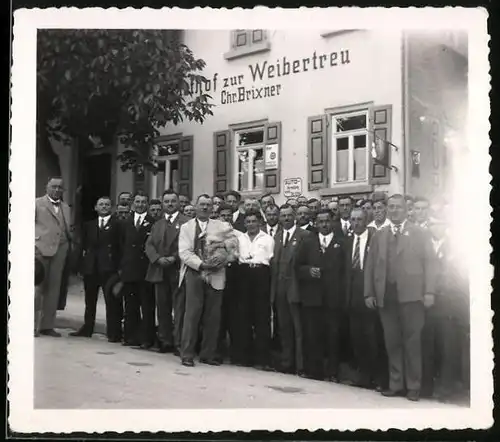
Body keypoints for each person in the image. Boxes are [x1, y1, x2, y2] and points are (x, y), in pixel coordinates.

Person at [364, 194, 437, 402]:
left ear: (407, 210)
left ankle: (414, 386)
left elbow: (431, 264)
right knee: (392, 342)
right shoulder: (380, 235)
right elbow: (370, 265)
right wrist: (369, 292)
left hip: (412, 297)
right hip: (386, 297)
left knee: (412, 342)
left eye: (398, 207)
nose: (394, 210)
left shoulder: (420, 233)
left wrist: (429, 291)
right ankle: (396, 384)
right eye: (391, 207)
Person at [178, 194, 232, 367]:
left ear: (213, 208)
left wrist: (222, 258)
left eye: (208, 205)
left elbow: (233, 245)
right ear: (195, 206)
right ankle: (187, 353)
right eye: (202, 205)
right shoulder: (186, 227)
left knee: (213, 316)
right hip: (195, 273)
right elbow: (184, 252)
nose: (205, 208)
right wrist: (202, 265)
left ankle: (207, 354)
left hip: (216, 273)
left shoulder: (222, 226)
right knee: (192, 314)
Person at [295, 209, 345, 381]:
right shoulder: (308, 241)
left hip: (333, 297)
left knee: (333, 336)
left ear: (332, 222)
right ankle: (314, 370)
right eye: (320, 221)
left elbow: (346, 272)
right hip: (312, 297)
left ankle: (332, 372)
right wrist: (308, 271)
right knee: (312, 334)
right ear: (315, 223)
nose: (324, 224)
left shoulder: (342, 242)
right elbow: (297, 266)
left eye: (327, 221)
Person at [70, 196, 122, 341]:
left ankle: (113, 333)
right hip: (91, 268)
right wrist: (80, 266)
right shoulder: (89, 225)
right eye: (101, 204)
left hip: (109, 268)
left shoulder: (118, 225)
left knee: (111, 302)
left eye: (107, 204)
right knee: (90, 301)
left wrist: (119, 268)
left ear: (111, 207)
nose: (104, 207)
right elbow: (82, 246)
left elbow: (120, 247)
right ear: (96, 207)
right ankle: (87, 328)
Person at [145, 190, 190, 354]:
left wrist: (173, 258)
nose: (169, 204)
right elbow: (149, 245)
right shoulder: (158, 223)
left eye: (173, 201)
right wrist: (157, 259)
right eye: (166, 201)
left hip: (177, 270)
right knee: (162, 307)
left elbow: (188, 245)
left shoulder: (186, 222)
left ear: (178, 203)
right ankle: (165, 340)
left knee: (179, 309)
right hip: (159, 270)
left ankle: (178, 342)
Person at [343, 208, 382, 390]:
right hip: (352, 294)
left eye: (359, 219)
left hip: (368, 293)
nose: (356, 223)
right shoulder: (347, 240)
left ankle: (375, 375)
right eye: (353, 220)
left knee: (371, 336)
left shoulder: (375, 239)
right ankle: (362, 375)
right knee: (356, 336)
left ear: (366, 221)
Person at [271, 204, 309, 374]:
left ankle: (301, 365)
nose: (286, 218)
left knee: (299, 329)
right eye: (283, 216)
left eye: (289, 215)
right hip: (279, 288)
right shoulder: (278, 237)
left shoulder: (304, 235)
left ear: (294, 217)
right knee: (284, 327)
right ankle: (287, 362)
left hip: (296, 289)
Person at [234, 210, 274, 370]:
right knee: (243, 316)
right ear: (245, 223)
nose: (251, 224)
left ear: (259, 222)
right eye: (248, 221)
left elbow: (271, 259)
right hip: (243, 274)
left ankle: (263, 359)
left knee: (261, 318)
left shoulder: (268, 239)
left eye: (253, 221)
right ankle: (244, 357)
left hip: (261, 274)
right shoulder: (239, 238)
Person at [35, 177, 73, 337]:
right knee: (37, 288)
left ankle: (47, 325)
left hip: (60, 250)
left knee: (54, 289)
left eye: (60, 187)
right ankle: (31, 325)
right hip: (39, 249)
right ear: (47, 187)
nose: (57, 190)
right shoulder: (37, 203)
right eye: (54, 186)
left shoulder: (66, 207)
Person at [119, 191, 156, 347]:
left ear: (147, 204)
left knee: (147, 306)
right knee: (130, 305)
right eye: (138, 202)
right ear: (133, 203)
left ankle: (146, 339)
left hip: (146, 270)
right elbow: (120, 246)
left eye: (143, 202)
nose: (140, 205)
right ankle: (130, 336)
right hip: (129, 269)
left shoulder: (153, 222)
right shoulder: (125, 222)